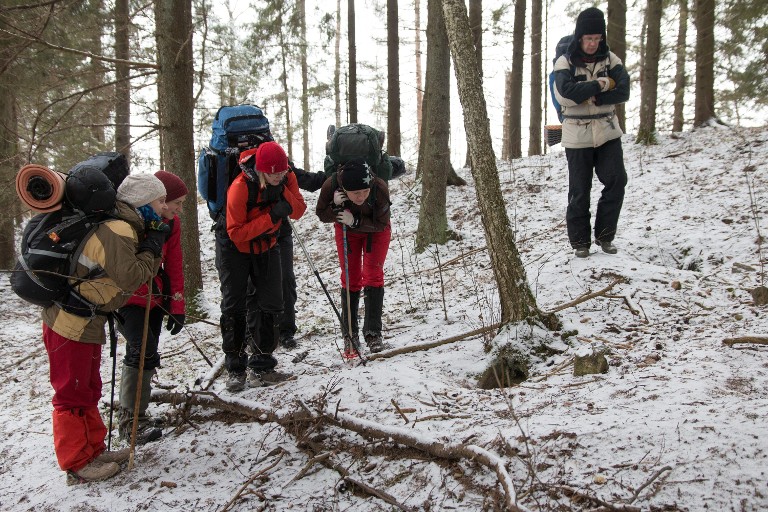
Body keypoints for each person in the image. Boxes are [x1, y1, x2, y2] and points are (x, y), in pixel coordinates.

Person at [41, 165, 166, 485]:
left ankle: (94, 449)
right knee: (71, 392)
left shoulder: (124, 226)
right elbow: (132, 277)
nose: (165, 209)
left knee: (89, 387)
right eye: (161, 202)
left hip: (86, 319)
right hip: (69, 322)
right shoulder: (118, 231)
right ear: (143, 204)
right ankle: (76, 462)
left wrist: (150, 245)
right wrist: (153, 250)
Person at [216, 141, 307, 392]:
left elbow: (298, 210)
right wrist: (272, 216)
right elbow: (235, 232)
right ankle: (235, 369)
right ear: (262, 169)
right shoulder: (240, 187)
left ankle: (263, 366)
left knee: (272, 303)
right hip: (234, 250)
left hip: (267, 246)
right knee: (234, 306)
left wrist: (281, 193)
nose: (280, 175)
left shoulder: (286, 178)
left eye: (283, 171)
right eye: (274, 172)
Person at [116, 171, 188, 445]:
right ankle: (130, 422)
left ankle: (138, 416)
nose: (179, 209)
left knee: (148, 352)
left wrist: (176, 304)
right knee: (139, 351)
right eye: (176, 202)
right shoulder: (130, 223)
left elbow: (174, 264)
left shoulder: (172, 224)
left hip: (155, 298)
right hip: (128, 299)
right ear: (159, 200)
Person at [553, 6, 630, 258]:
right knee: (579, 190)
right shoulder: (564, 62)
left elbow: (624, 91)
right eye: (588, 39)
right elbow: (567, 94)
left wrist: (589, 92)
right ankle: (580, 243)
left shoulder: (611, 59)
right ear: (579, 37)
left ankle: (605, 236)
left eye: (597, 39)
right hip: (577, 135)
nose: (593, 44)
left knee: (617, 180)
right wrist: (601, 84)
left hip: (607, 132)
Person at [247, 163, 326, 351]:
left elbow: (300, 199)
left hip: (280, 233)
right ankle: (253, 334)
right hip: (252, 236)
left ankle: (285, 330)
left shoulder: (282, 166)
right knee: (253, 284)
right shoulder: (246, 171)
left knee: (285, 279)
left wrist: (282, 190)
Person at [315, 160, 392, 354]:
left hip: (375, 231)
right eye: (356, 193)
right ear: (345, 189)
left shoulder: (379, 188)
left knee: (373, 275)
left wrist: (355, 220)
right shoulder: (331, 185)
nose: (361, 196)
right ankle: (350, 333)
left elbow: (382, 223)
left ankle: (373, 333)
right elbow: (321, 213)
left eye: (365, 192)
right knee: (351, 278)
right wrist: (335, 207)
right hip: (347, 232)